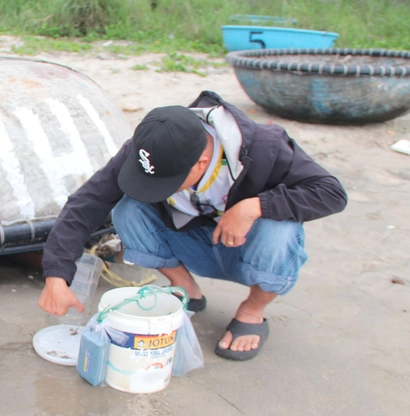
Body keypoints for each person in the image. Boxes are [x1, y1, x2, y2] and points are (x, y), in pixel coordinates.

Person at [38, 91, 347, 360]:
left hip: (247, 248)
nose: (154, 186)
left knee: (283, 229)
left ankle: (252, 309)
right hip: (190, 242)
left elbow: (332, 192)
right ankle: (187, 290)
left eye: (165, 182)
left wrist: (254, 207)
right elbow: (85, 204)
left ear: (201, 162)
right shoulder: (150, 148)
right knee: (127, 207)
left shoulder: (265, 146)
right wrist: (56, 275)